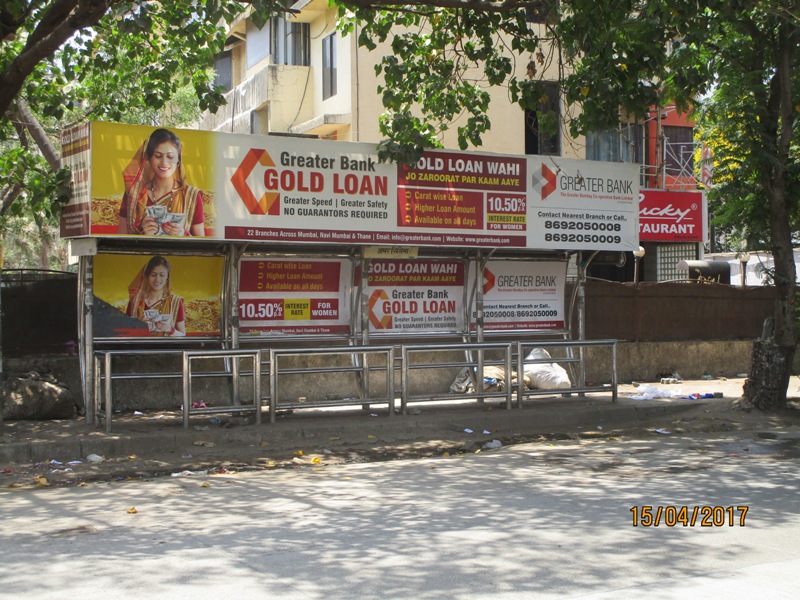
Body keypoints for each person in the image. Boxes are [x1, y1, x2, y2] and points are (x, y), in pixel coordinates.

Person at [118, 128, 206, 236]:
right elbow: (121, 240)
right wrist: (142, 234)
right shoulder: (133, 194)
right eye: (158, 156)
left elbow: (202, 244)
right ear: (149, 159)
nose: (164, 162)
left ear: (178, 159)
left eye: (170, 156)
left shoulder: (191, 196)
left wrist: (184, 234)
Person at [125, 256, 187, 337]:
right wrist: (141, 327)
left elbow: (183, 336)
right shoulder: (135, 301)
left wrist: (170, 330)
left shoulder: (175, 302)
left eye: (162, 275)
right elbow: (125, 333)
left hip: (166, 349)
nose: (157, 279)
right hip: (140, 348)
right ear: (147, 276)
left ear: (167, 277)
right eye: (153, 275)